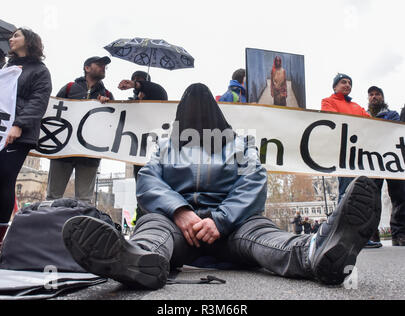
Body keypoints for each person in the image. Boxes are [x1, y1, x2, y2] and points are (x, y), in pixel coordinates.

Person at [63, 83, 381, 289]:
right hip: (177, 231)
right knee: (152, 226)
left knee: (265, 236)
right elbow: (148, 180)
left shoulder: (240, 144)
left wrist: (220, 219)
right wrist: (181, 211)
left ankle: (314, 252)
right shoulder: (165, 146)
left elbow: (254, 179)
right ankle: (138, 259)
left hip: (236, 230)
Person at [0, 28, 52, 246]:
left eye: (16, 36)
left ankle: (1, 236)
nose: (12, 39)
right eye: (11, 36)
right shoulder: (8, 67)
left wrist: (19, 124)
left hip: (18, 134)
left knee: (4, 179)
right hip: (2, 128)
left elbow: (38, 100)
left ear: (28, 41)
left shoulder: (40, 71)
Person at [321, 75, 381, 249]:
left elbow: (371, 124)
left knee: (363, 194)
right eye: (343, 82)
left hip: (362, 155)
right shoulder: (328, 101)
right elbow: (333, 121)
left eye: (349, 83)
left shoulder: (357, 106)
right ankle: (342, 237)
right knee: (347, 193)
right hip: (343, 154)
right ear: (335, 86)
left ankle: (360, 237)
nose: (347, 85)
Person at [46, 56, 114, 204]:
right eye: (99, 64)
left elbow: (111, 124)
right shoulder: (69, 87)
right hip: (63, 150)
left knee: (84, 200)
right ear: (87, 68)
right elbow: (54, 114)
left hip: (89, 153)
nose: (103, 67)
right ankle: (48, 225)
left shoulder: (107, 95)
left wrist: (106, 106)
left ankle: (80, 226)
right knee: (53, 195)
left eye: (105, 66)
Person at [367, 86, 405, 246]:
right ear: (368, 98)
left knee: (399, 196)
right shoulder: (363, 116)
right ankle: (372, 235)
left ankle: (399, 234)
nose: (374, 97)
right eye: (371, 94)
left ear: (382, 97)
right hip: (371, 161)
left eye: (377, 94)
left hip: (391, 161)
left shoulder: (393, 115)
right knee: (372, 198)